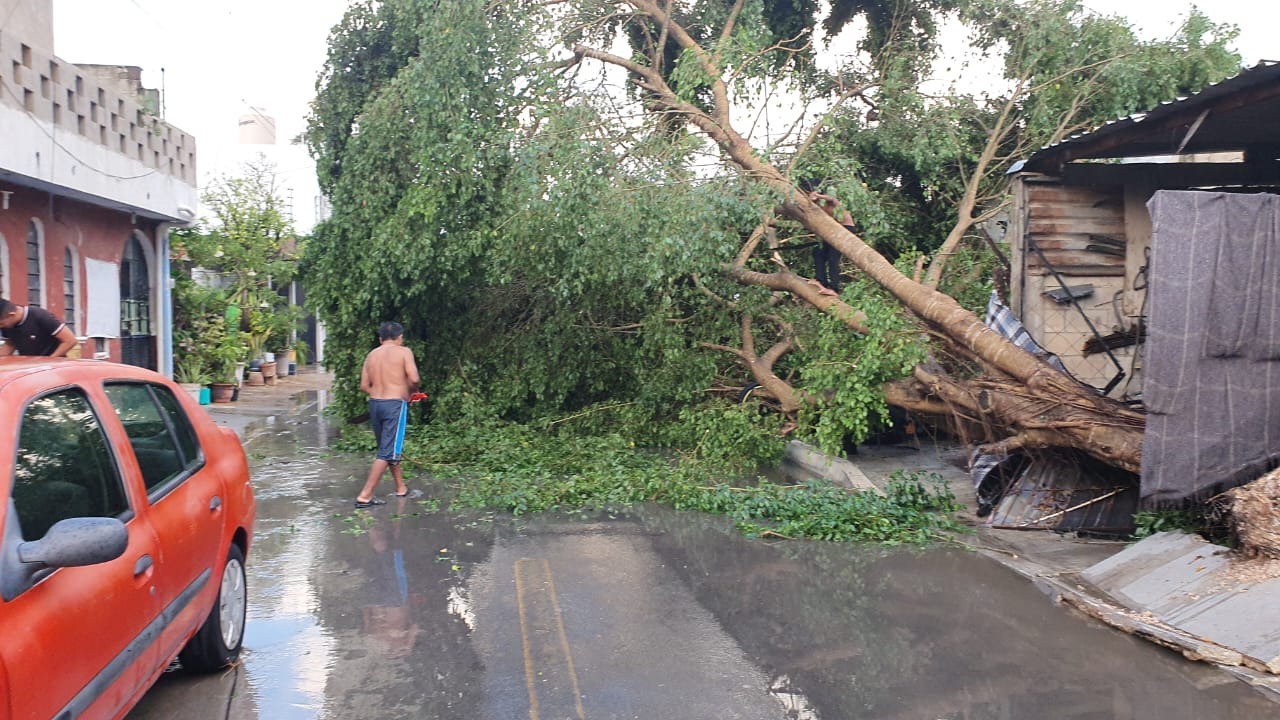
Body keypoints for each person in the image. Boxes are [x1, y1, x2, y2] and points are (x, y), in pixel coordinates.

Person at [354, 321, 421, 508]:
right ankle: (365, 496)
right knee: (387, 450)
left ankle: (401, 487)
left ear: (380, 339)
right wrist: (409, 393)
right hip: (395, 405)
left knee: (386, 447)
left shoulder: (371, 355)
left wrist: (380, 394)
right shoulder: (404, 352)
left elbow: (364, 386)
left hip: (375, 404)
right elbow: (414, 378)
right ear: (400, 337)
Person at [807, 190, 855, 296]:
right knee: (818, 252)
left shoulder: (830, 202)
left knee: (833, 258)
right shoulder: (817, 206)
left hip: (845, 230)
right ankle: (821, 281)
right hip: (832, 232)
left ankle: (834, 288)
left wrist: (818, 196)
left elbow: (831, 198)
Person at [0, 298, 78, 357]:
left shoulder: (40, 316)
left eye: (1, 323)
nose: (1, 327)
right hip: (29, 366)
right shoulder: (8, 324)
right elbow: (9, 345)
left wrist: (50, 360)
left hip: (52, 366)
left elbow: (70, 340)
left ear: (12, 315)